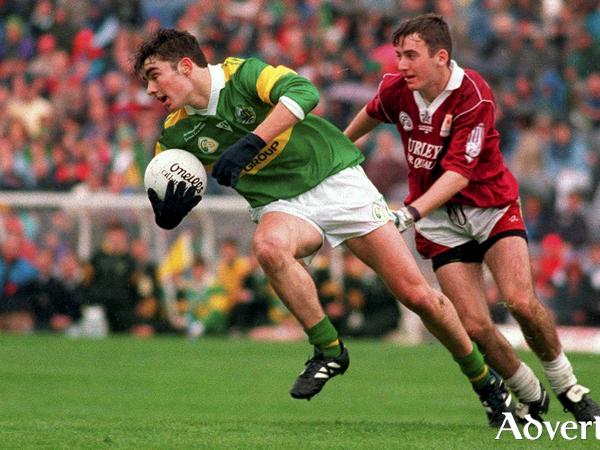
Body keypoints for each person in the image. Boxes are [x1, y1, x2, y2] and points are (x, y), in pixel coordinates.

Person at [134, 27, 514, 423]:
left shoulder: (242, 74)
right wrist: (169, 212)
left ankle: (485, 381)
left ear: (184, 66)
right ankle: (329, 349)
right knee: (268, 247)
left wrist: (252, 143)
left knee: (417, 296)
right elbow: (167, 183)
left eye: (154, 75)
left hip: (334, 178)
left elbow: (305, 94)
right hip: (281, 204)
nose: (149, 90)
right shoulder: (175, 133)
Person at [343, 14, 600, 423]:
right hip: (441, 220)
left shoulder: (473, 94)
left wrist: (411, 212)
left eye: (411, 55)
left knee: (519, 301)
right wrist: (340, 147)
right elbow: (373, 113)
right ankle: (529, 393)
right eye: (398, 55)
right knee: (475, 326)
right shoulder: (397, 89)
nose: (402, 64)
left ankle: (567, 385)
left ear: (440, 56)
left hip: (490, 207)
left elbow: (460, 173)